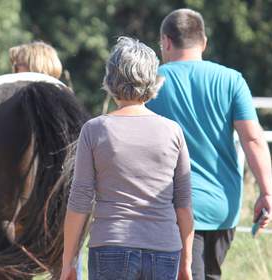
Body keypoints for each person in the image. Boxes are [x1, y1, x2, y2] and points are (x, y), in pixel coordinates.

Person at [147, 8, 272, 280]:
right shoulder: (232, 80)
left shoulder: (151, 83)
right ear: (203, 42)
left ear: (166, 42)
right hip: (222, 207)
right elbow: (252, 138)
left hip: (172, 207)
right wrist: (267, 192)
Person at [61, 37, 194, 280]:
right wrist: (187, 262)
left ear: (110, 78)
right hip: (164, 248)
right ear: (152, 80)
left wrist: (68, 260)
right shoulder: (173, 131)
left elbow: (80, 200)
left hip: (111, 245)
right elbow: (183, 205)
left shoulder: (94, 130)